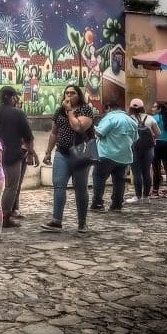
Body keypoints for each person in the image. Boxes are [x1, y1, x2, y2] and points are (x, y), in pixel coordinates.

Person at [41, 85, 96, 234]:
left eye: (73, 93)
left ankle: (82, 223)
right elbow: (54, 133)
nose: (69, 95)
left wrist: (70, 112)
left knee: (80, 188)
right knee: (59, 185)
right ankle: (56, 221)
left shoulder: (85, 110)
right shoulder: (59, 111)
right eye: (67, 93)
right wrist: (48, 152)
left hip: (81, 153)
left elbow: (79, 127)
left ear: (79, 95)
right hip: (62, 152)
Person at [0, 86, 36, 228]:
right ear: (10, 97)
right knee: (11, 186)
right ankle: (5, 216)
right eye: (15, 97)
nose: (16, 100)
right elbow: (28, 136)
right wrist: (31, 153)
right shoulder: (18, 114)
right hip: (12, 154)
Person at [90, 99, 138, 212]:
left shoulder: (110, 118)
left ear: (109, 108)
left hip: (107, 154)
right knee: (119, 180)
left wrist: (93, 127)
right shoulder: (131, 121)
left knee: (99, 178)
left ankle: (98, 203)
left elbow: (100, 133)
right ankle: (117, 205)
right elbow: (135, 139)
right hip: (124, 156)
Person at [127, 99, 159, 204]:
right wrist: (151, 139)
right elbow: (158, 133)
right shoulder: (150, 118)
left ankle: (138, 197)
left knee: (136, 173)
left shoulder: (128, 119)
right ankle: (146, 197)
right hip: (149, 148)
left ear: (131, 107)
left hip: (134, 148)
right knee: (146, 172)